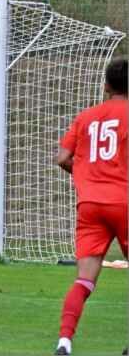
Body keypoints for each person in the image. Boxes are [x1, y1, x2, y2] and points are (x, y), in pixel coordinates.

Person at [54, 59, 128, 355]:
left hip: (90, 205)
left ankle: (64, 342)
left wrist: (87, 174)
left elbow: (62, 157)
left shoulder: (85, 117)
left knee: (84, 280)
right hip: (124, 202)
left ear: (106, 86)